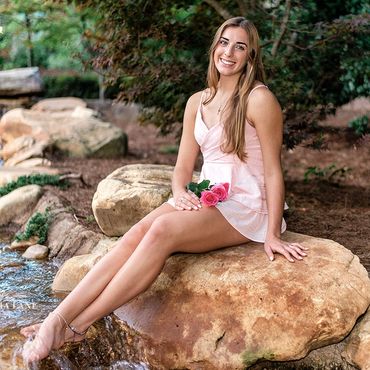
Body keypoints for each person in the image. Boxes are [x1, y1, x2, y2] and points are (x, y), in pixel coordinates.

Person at [21, 16, 308, 362]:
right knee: (136, 232)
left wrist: (273, 232)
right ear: (214, 46)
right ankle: (58, 318)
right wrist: (181, 191)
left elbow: (275, 172)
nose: (229, 52)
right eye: (224, 42)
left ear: (250, 56)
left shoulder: (259, 100)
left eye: (240, 46)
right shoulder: (197, 102)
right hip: (208, 193)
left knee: (160, 232)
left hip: (247, 203)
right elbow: (183, 167)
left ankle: (75, 323)